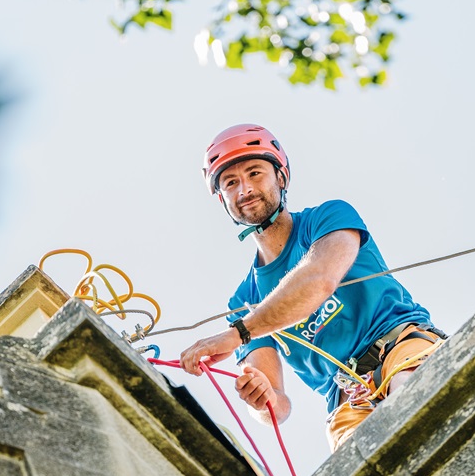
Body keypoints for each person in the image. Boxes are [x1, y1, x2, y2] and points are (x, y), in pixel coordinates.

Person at [179, 124, 446, 452]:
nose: (245, 189)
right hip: (347, 400)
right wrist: (262, 399)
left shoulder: (329, 218)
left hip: (399, 348)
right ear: (223, 198)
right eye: (231, 183)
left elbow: (318, 280)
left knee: (411, 398)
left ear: (281, 177)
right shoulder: (244, 301)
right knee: (356, 465)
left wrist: (238, 334)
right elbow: (278, 407)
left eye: (254, 173)